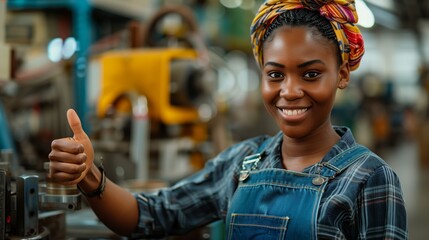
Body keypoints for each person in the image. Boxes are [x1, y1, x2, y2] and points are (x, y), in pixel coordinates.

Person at [48, 0, 408, 239]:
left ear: (342, 74)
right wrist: (90, 176)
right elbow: (152, 215)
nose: (290, 91)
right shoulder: (243, 163)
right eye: (275, 74)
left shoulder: (369, 179)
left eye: (311, 74)